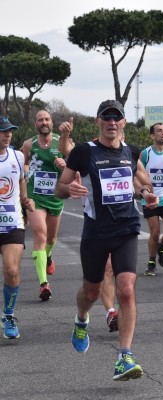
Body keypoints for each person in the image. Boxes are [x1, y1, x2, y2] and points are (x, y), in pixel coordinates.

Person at [55, 100, 158, 381]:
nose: (112, 122)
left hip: (126, 228)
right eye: (107, 117)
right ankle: (81, 319)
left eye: (117, 118)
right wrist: (69, 187)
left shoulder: (131, 152)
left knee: (126, 289)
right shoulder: (83, 153)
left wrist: (147, 193)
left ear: (124, 123)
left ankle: (124, 355)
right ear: (98, 121)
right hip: (96, 232)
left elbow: (141, 181)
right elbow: (59, 188)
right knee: (91, 291)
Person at [58, 117, 120, 333]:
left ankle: (111, 311)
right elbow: (67, 149)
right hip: (96, 222)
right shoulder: (88, 152)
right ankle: (84, 316)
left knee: (111, 268)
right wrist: (65, 134)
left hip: (120, 222)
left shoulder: (125, 152)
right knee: (98, 278)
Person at [20, 110, 68, 301]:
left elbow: (72, 165)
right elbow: (23, 164)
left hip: (55, 196)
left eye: (47, 119)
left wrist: (64, 164)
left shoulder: (61, 142)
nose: (44, 122)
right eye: (40, 120)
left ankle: (47, 256)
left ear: (52, 122)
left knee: (52, 237)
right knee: (39, 232)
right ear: (36, 124)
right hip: (35, 196)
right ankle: (43, 283)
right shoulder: (29, 144)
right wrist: (28, 171)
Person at [0, 117, 35, 340]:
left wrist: (25, 199)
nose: (8, 135)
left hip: (12, 221)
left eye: (10, 131)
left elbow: (21, 180)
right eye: (3, 131)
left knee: (11, 270)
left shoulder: (17, 156)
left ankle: (9, 315)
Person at [140, 122, 163, 276]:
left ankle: (162, 246)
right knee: (154, 232)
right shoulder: (145, 154)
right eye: (159, 131)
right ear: (152, 135)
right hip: (150, 198)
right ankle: (151, 261)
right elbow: (138, 174)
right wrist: (144, 181)